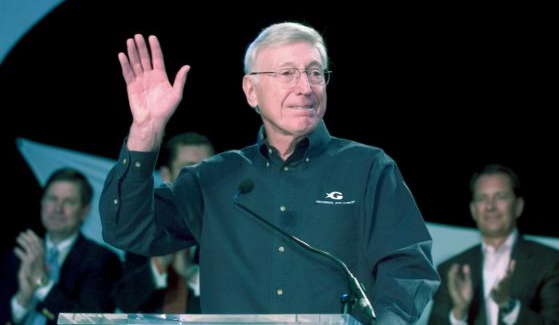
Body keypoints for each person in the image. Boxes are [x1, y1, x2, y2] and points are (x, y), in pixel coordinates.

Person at [100, 22, 440, 324]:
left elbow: (408, 267)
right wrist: (146, 129)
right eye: (287, 73)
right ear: (251, 91)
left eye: (316, 72)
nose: (305, 87)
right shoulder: (213, 179)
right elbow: (128, 230)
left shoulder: (368, 168)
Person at [428, 164, 559, 324]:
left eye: (500, 197)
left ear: (518, 206)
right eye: (482, 198)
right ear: (473, 210)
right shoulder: (449, 270)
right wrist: (459, 312)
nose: (490, 206)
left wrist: (508, 305)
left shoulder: (550, 262)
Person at [0, 167, 121, 325]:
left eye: (69, 202)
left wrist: (42, 283)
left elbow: (90, 323)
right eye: (52, 199)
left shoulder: (101, 260)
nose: (58, 209)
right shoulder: (20, 255)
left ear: (85, 211)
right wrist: (23, 300)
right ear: (42, 202)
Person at [112, 131, 215, 314]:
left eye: (208, 168)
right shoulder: (145, 228)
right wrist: (157, 266)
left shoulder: (230, 227)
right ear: (166, 175)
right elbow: (124, 301)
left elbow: (244, 299)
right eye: (190, 169)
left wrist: (192, 275)